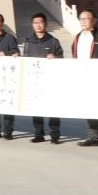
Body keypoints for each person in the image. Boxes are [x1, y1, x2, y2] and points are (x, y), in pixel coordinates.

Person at [71, 9, 98, 150]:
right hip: (84, 79)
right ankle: (93, 138)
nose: (83, 21)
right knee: (89, 108)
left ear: (94, 20)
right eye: (81, 19)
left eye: (87, 18)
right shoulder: (77, 37)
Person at [23, 13, 65, 143]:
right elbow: (25, 59)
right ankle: (39, 134)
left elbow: (62, 59)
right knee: (37, 108)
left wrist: (55, 58)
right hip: (35, 80)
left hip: (50, 81)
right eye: (35, 23)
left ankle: (55, 135)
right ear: (32, 25)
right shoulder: (28, 41)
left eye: (40, 22)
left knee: (53, 109)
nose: (38, 25)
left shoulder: (53, 41)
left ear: (45, 24)